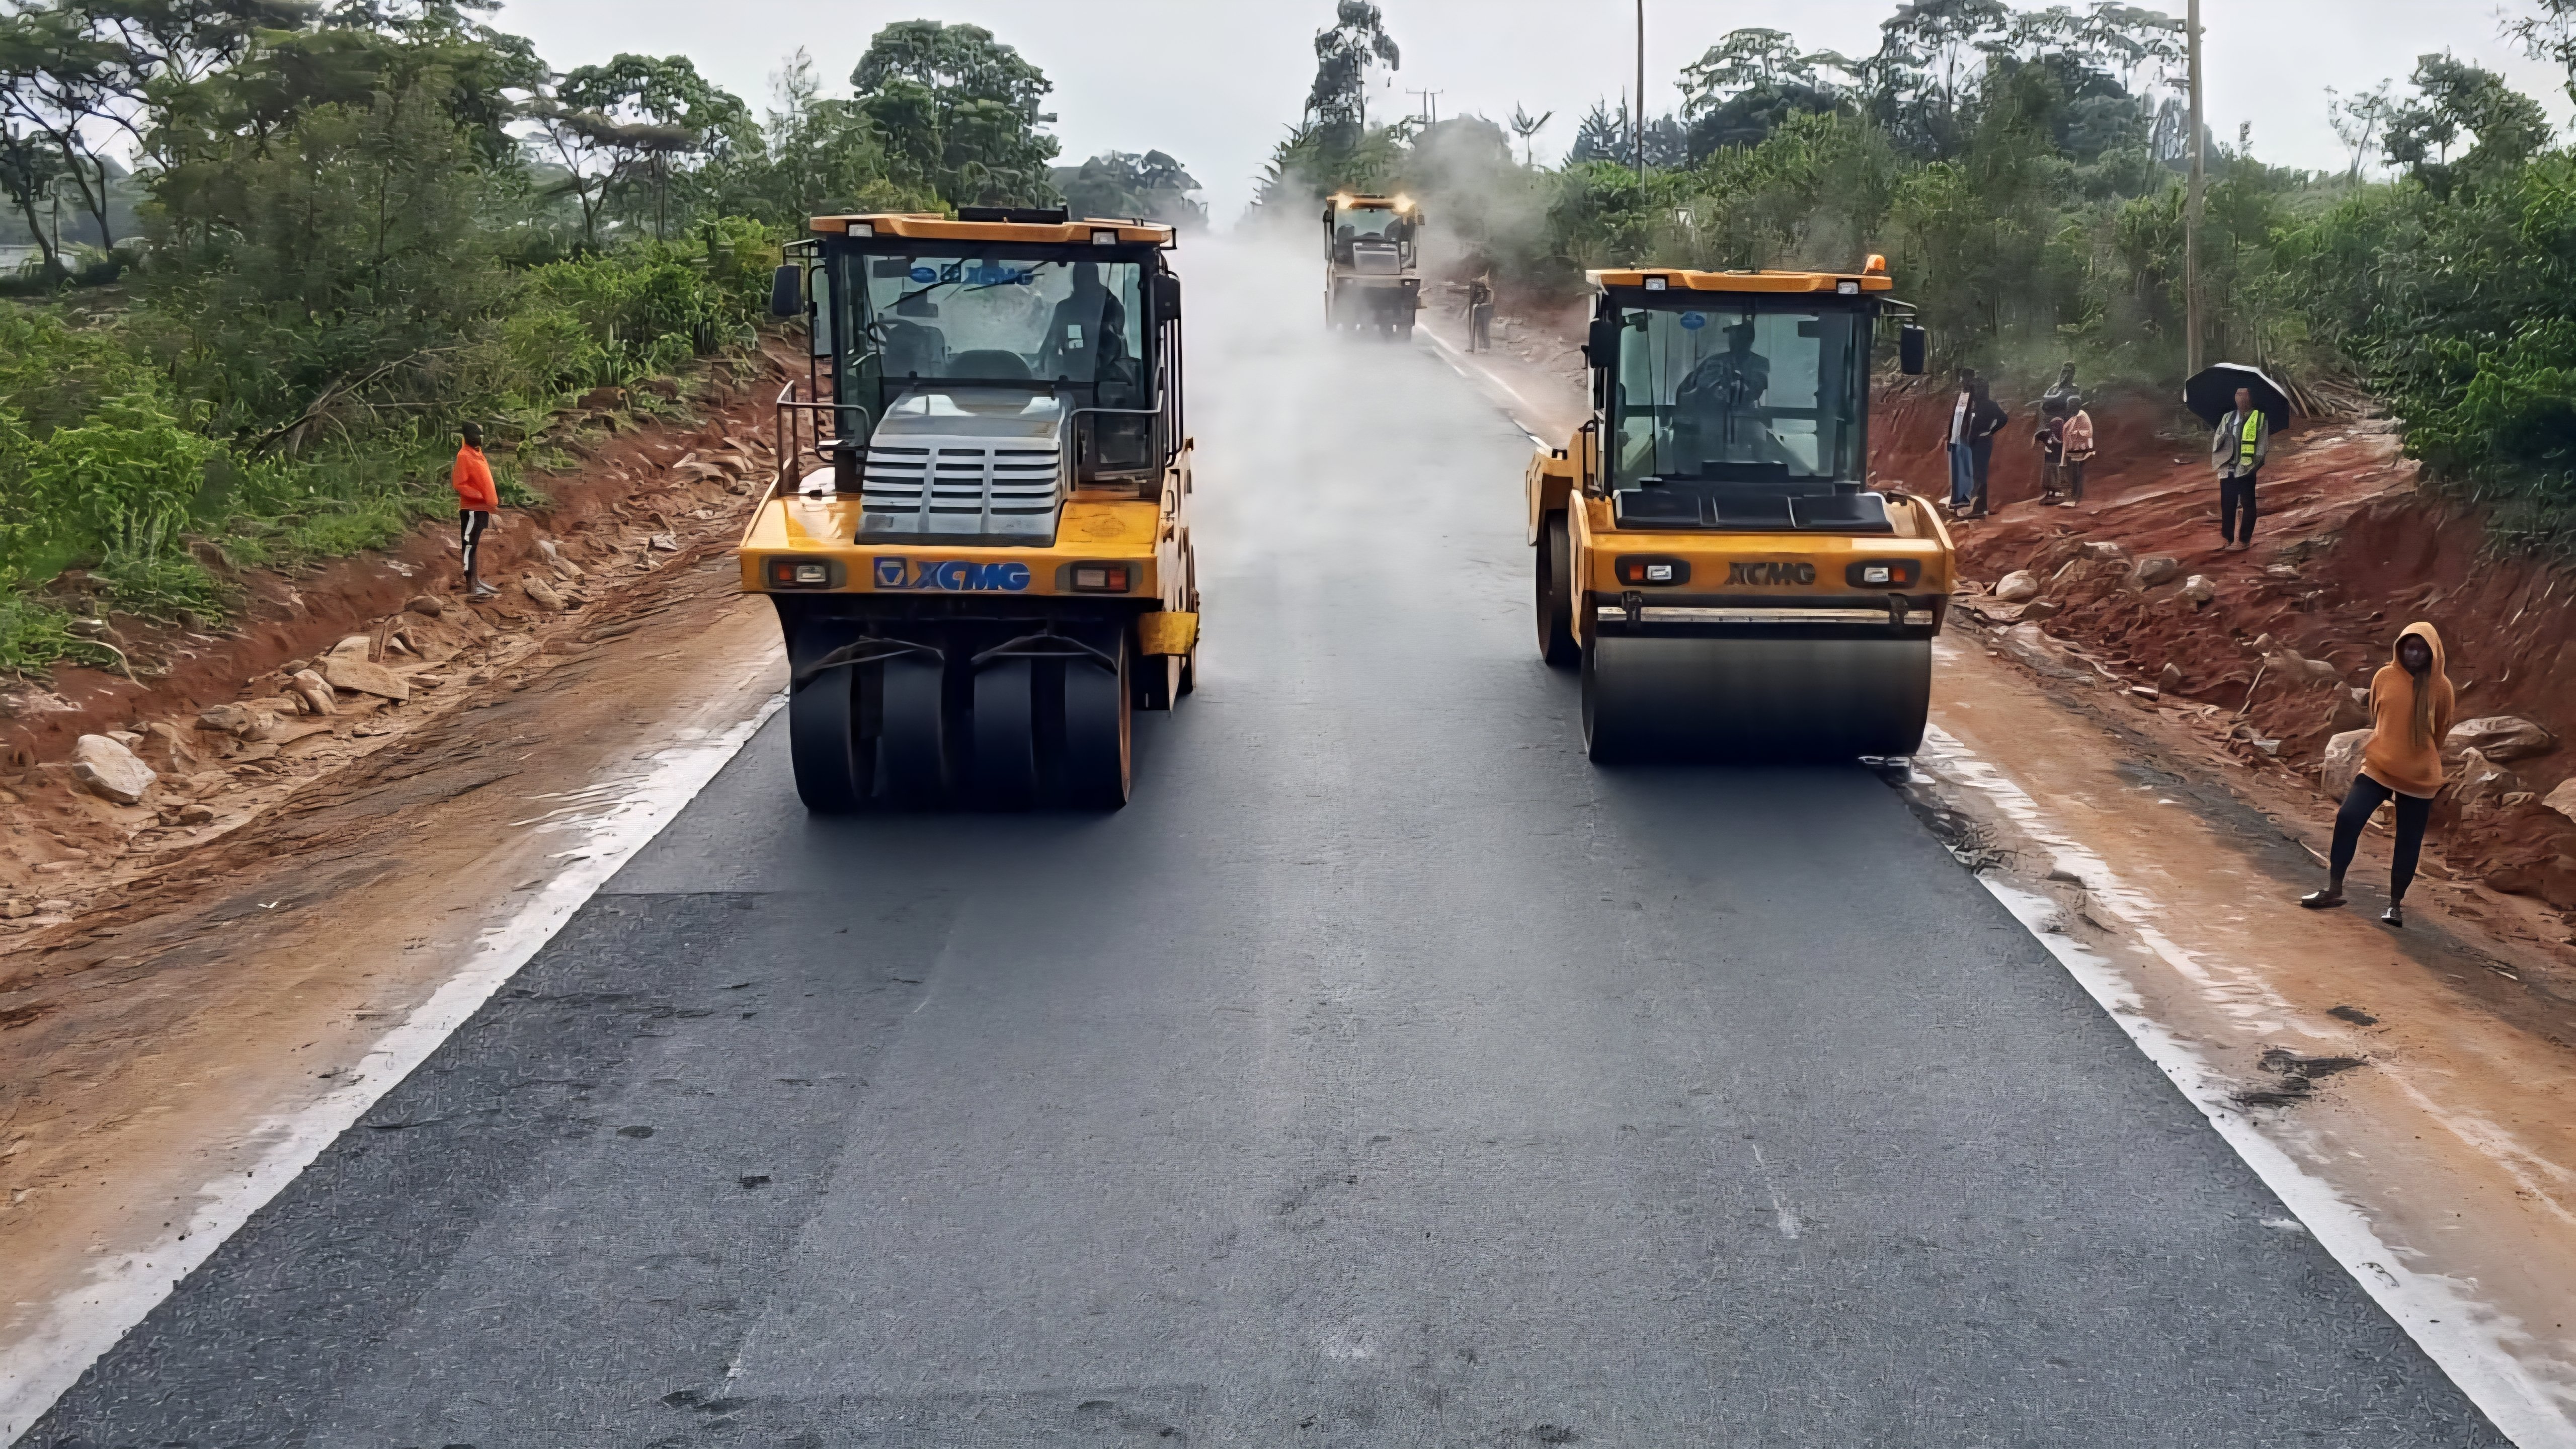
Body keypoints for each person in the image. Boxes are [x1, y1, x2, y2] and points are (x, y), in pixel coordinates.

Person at [2302, 623, 2454, 927]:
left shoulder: (2442, 688)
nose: (2415, 654)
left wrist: (2415, 755)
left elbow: (2441, 731)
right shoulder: (2384, 676)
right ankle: (2333, 889)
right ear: (2400, 648)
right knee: (2348, 817)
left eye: (2422, 650)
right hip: (2378, 767)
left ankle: (2395, 906)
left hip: (2419, 777)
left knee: (2408, 841)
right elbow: (2378, 715)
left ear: (2433, 653)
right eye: (2410, 648)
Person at [2211, 384, 2271, 550]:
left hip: (2247, 468)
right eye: (2238, 394)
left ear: (2251, 397)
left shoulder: (2259, 418)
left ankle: (2244, 540)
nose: (2241, 397)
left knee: (2248, 503)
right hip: (2228, 468)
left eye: (2245, 394)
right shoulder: (2228, 418)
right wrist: (2220, 460)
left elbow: (2262, 446)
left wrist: (2253, 465)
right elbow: (2218, 440)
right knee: (2227, 504)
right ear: (2235, 397)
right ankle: (2228, 539)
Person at [1947, 372, 2007, 518]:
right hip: (1972, 443)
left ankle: (1980, 508)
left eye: (1977, 388)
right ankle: (1970, 505)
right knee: (1973, 473)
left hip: (1982, 444)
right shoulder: (1972, 404)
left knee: (1980, 475)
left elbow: (2003, 418)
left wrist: (1991, 431)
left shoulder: (1990, 405)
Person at [452, 422, 498, 597]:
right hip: (471, 508)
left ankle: (477, 581)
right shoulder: (464, 455)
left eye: (481, 434)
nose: (479, 438)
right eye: (476, 435)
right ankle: (471, 585)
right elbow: (459, 484)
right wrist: (480, 496)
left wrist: (489, 500)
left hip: (483, 508)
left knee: (475, 544)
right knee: (469, 545)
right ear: (467, 436)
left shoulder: (478, 453)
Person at [2060, 394, 2096, 503]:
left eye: (2069, 404)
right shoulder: (2074, 417)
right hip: (2072, 451)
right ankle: (2074, 494)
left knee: (2077, 473)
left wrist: (2075, 433)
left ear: (2074, 405)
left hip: (2080, 451)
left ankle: (2076, 495)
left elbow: (2088, 432)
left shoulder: (2082, 417)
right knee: (2073, 473)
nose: (2067, 407)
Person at [1467, 274, 1494, 352]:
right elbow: (1490, 301)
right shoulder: (1488, 290)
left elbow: (1483, 300)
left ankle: (1478, 347)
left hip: (1481, 308)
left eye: (1485, 281)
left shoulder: (1484, 289)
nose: (1485, 281)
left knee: (1480, 327)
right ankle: (1481, 347)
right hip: (1485, 308)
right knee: (1483, 327)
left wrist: (1476, 304)